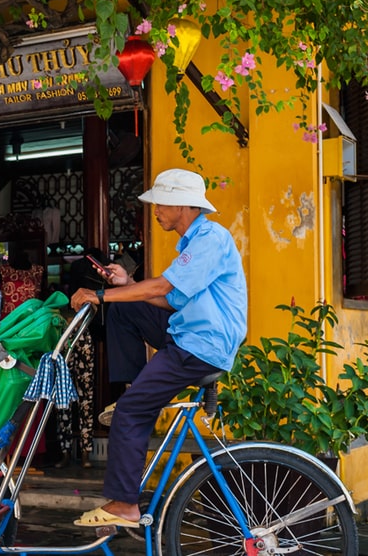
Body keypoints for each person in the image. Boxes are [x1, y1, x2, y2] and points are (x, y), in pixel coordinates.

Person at [69, 169, 247, 528]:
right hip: (187, 333)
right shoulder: (192, 242)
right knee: (125, 309)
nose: (155, 211)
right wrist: (126, 285)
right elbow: (170, 299)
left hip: (202, 344)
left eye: (160, 204)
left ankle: (124, 505)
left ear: (182, 205)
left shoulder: (211, 237)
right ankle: (135, 389)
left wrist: (100, 294)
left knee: (131, 414)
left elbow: (162, 287)